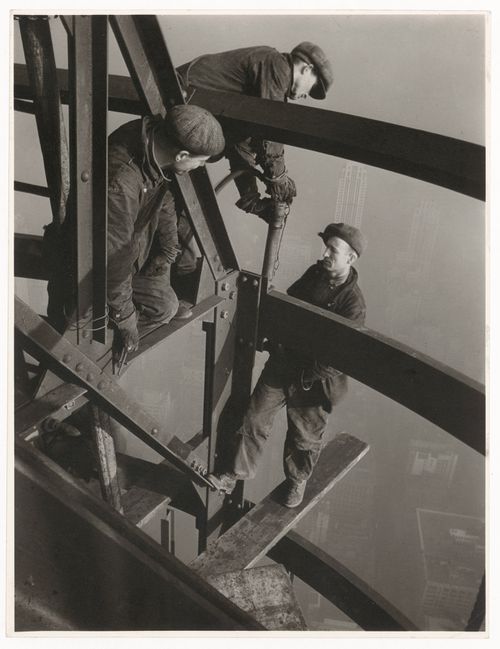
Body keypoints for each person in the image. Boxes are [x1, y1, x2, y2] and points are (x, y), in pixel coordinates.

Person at [208, 223, 367, 508]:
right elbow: (289, 305)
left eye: (333, 249)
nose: (325, 253)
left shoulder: (353, 305)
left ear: (350, 258)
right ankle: (234, 473)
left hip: (314, 380)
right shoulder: (314, 274)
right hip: (285, 363)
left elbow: (339, 356)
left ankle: (296, 481)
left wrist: (309, 375)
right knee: (254, 418)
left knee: (304, 437)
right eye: (326, 246)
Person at [106, 105, 225, 359]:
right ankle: (108, 350)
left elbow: (163, 192)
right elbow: (113, 260)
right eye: (200, 161)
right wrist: (125, 317)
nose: (200, 167)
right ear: (182, 155)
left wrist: (169, 246)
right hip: (97, 269)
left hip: (126, 248)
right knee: (164, 308)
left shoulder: (151, 141)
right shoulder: (121, 183)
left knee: (176, 273)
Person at [176, 42, 334, 223]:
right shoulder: (276, 65)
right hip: (182, 98)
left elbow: (242, 144)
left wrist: (253, 200)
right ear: (307, 69)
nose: (307, 95)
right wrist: (278, 178)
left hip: (189, 120)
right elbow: (269, 132)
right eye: (312, 88)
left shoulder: (264, 86)